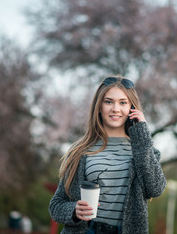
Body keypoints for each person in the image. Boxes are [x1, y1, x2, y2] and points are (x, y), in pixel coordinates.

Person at [49, 76, 167, 234]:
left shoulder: (144, 150)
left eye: (123, 102)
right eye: (108, 101)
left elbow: (156, 188)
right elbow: (56, 205)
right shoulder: (80, 151)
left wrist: (142, 134)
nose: (115, 109)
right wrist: (74, 210)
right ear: (99, 106)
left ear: (132, 107)